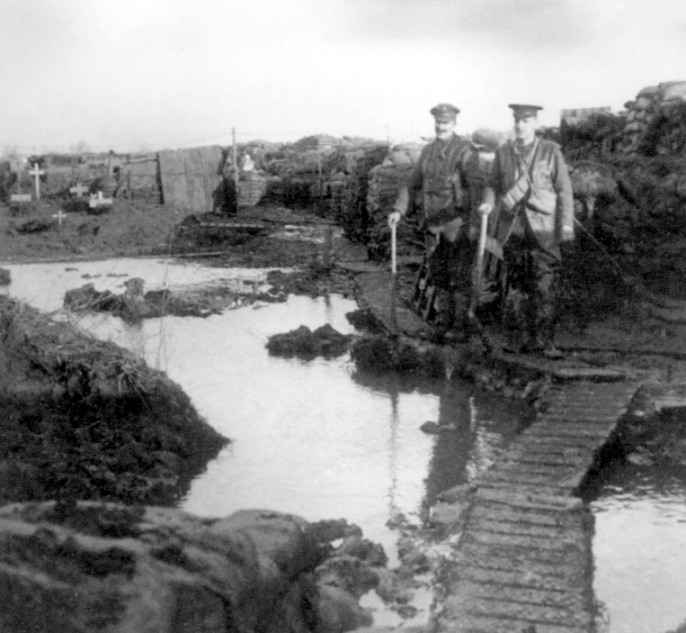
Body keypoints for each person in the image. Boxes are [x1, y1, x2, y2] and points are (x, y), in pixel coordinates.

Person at [478, 104, 575, 359]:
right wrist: (488, 201)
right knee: (518, 283)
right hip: (513, 227)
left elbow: (564, 190)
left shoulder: (551, 152)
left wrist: (566, 224)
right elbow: (492, 184)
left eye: (526, 121)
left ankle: (545, 343)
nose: (520, 126)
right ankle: (519, 340)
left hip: (544, 228)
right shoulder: (504, 152)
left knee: (545, 283)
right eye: (517, 121)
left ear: (535, 124)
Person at [388, 103, 482, 340]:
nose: (441, 126)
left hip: (456, 225)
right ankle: (444, 324)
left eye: (446, 123)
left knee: (459, 276)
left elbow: (476, 188)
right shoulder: (428, 152)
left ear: (454, 124)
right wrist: (399, 210)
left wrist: (474, 224)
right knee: (439, 275)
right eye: (438, 122)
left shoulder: (465, 151)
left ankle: (460, 328)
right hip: (432, 225)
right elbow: (412, 183)